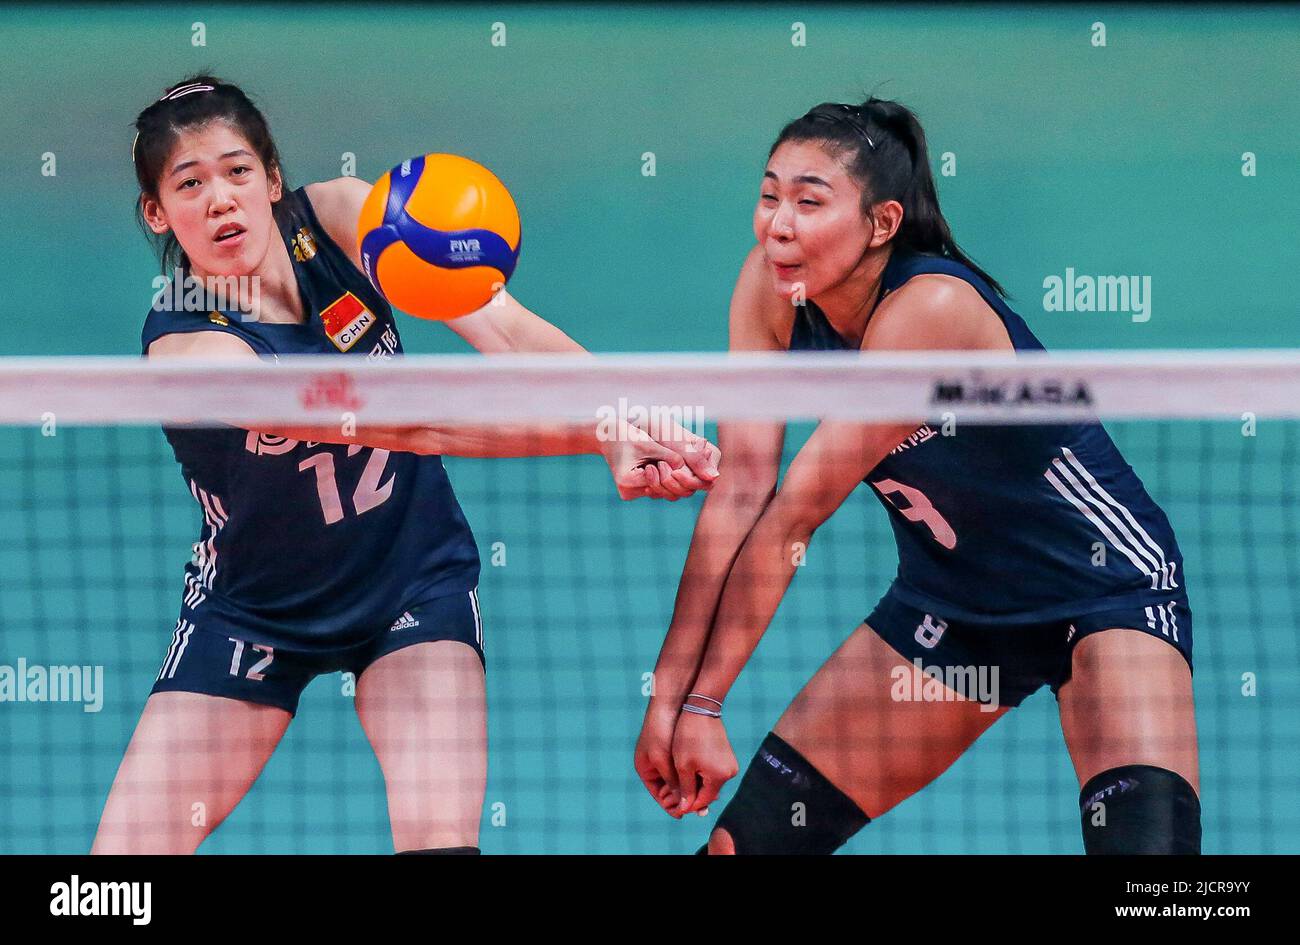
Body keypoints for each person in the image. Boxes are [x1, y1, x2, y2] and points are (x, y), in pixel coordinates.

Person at [93, 75, 719, 855]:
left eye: (238, 171)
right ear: (158, 212)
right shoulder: (192, 350)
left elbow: (508, 332)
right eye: (190, 184)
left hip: (409, 582)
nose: (220, 199)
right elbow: (412, 423)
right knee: (112, 880)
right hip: (254, 611)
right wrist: (598, 437)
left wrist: (628, 416)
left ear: (273, 178)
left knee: (440, 845)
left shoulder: (349, 218)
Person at [635, 97, 1198, 855]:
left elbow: (795, 515)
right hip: (955, 603)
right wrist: (668, 700)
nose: (778, 223)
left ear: (883, 223)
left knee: (1156, 894)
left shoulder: (930, 309)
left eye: (809, 201)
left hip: (1104, 588)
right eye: (769, 195)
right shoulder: (773, 288)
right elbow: (741, 493)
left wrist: (707, 702)